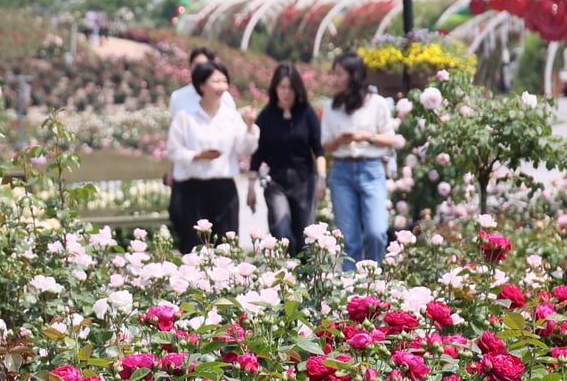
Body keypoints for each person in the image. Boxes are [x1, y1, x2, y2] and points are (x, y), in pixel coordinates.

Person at [166, 61, 260, 254]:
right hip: (192, 190)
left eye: (224, 81)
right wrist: (197, 155)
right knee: (193, 248)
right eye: (216, 81)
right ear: (201, 85)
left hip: (224, 189)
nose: (221, 87)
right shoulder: (185, 116)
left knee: (226, 248)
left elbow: (245, 148)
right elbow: (173, 150)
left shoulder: (231, 116)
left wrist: (250, 126)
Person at [320, 51, 397, 269]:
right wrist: (338, 141)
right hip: (342, 171)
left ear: (353, 75)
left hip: (371, 169)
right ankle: (350, 291)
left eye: (339, 74)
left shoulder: (377, 103)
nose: (335, 79)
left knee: (376, 231)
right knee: (349, 238)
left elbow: (390, 139)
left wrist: (367, 137)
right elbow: (325, 145)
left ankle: (373, 284)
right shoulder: (331, 106)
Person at [246, 63, 324, 258]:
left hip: (304, 182)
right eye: (282, 87)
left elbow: (319, 149)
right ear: (275, 88)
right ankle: (287, 273)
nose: (286, 92)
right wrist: (251, 187)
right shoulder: (266, 116)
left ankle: (306, 280)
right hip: (276, 183)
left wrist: (321, 178)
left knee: (306, 235)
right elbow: (257, 153)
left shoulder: (306, 113)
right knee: (281, 232)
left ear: (297, 89)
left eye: (290, 87)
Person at [167, 47, 236, 241]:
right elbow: (174, 141)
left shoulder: (226, 99)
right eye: (196, 65)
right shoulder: (179, 98)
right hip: (189, 177)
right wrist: (172, 170)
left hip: (219, 179)